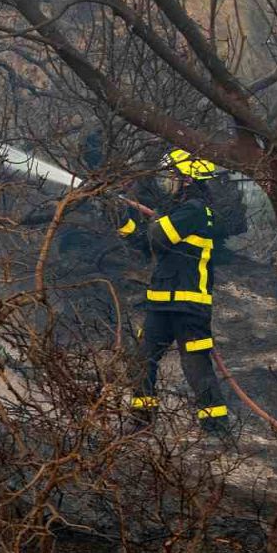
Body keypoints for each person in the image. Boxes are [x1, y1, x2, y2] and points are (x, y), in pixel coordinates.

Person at [118, 149, 230, 435]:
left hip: (189, 306)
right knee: (142, 361)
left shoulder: (195, 211)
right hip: (160, 304)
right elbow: (144, 243)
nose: (167, 181)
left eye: (172, 176)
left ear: (188, 179)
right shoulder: (177, 212)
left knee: (195, 367)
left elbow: (157, 235)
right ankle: (142, 420)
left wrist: (152, 217)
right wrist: (123, 214)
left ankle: (216, 428)